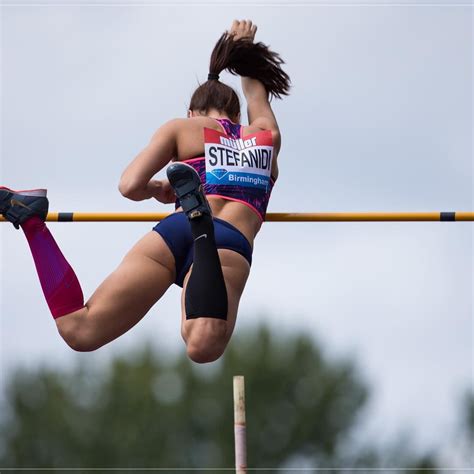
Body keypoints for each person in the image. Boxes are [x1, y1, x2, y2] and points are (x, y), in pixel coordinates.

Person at [0, 20, 290, 364]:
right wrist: (243, 49)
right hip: (227, 241)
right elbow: (256, 90)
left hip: (171, 233)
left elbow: (129, 185)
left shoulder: (182, 128)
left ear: (192, 112)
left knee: (80, 330)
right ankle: (202, 225)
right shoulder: (265, 136)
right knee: (202, 346)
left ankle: (33, 222)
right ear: (239, 113)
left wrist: (159, 190)